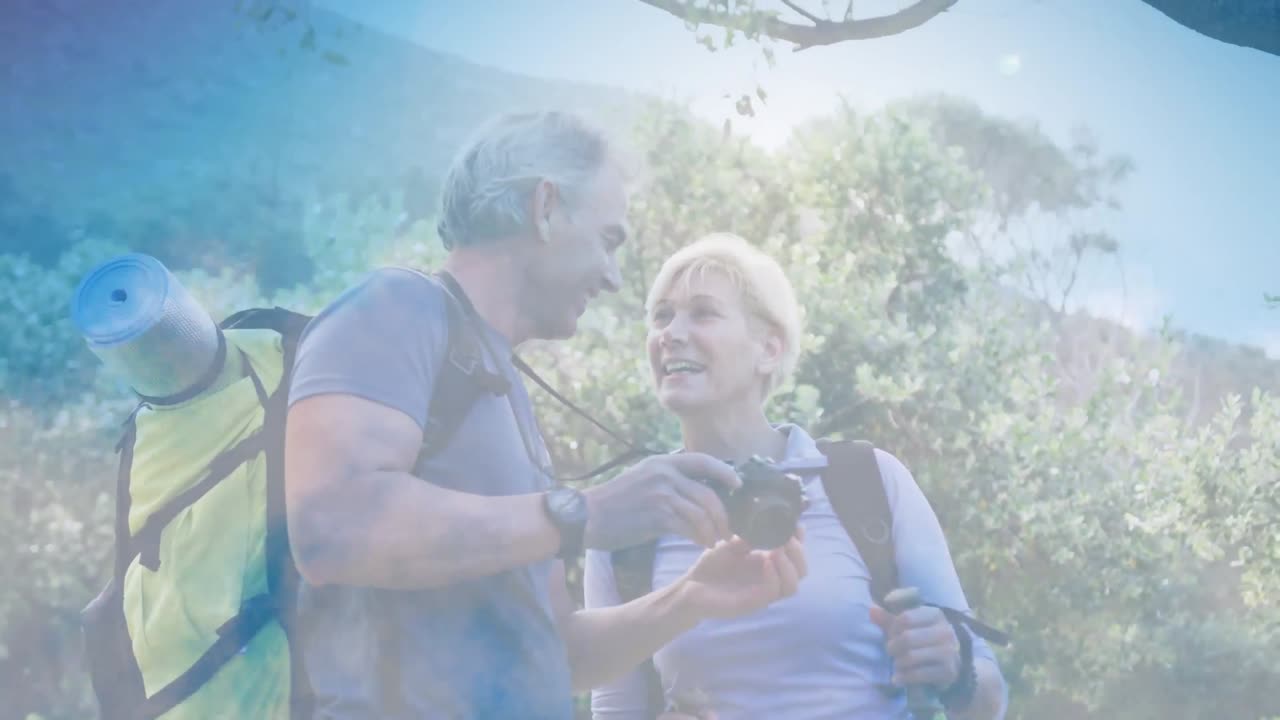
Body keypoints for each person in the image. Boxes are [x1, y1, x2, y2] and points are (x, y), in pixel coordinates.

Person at [282, 111, 807, 719]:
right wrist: (584, 513)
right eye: (609, 239)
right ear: (546, 207)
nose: (613, 277)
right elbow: (330, 528)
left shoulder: (504, 392)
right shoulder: (396, 307)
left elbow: (560, 652)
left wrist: (689, 598)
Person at [585, 233, 1008, 720]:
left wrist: (956, 668)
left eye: (702, 313)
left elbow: (988, 701)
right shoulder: (628, 516)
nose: (670, 333)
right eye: (661, 316)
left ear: (769, 349)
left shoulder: (869, 481)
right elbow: (614, 708)